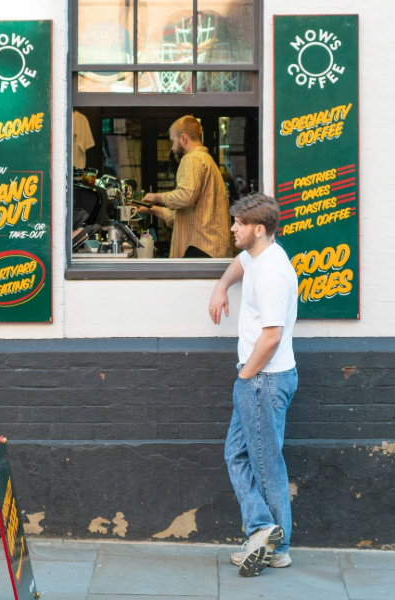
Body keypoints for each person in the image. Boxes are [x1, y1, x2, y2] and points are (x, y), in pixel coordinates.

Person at [205, 193, 299, 577]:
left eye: (238, 224)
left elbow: (272, 336)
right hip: (258, 377)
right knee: (237, 454)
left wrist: (245, 378)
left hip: (263, 378)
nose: (232, 229)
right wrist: (220, 286)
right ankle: (264, 531)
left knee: (265, 464)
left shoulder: (274, 273)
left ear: (257, 229)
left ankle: (275, 544)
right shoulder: (258, 256)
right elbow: (239, 264)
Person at [135, 116, 234, 258]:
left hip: (201, 249)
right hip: (208, 248)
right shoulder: (205, 159)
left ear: (183, 138)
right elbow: (184, 216)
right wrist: (150, 209)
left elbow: (185, 197)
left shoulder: (192, 159)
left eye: (172, 141)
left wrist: (156, 197)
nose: (172, 147)